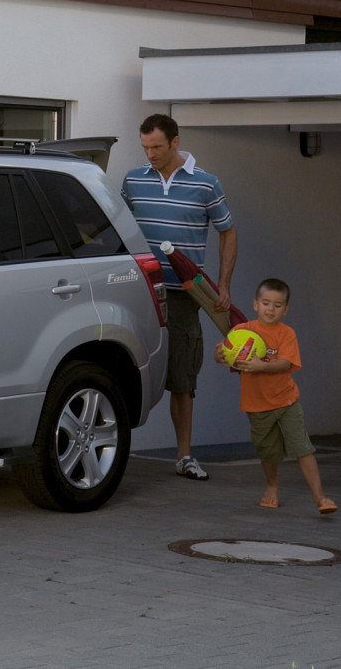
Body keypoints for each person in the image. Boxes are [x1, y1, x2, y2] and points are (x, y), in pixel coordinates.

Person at [122, 113, 237, 481]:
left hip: (186, 294)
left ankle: (184, 456)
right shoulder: (133, 180)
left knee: (183, 377)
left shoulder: (206, 184)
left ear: (175, 141)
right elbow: (116, 227)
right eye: (145, 147)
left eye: (156, 146)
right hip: (139, 291)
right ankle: (116, 450)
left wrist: (222, 285)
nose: (150, 154)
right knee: (124, 367)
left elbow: (228, 233)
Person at [212, 278, 336, 514]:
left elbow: (285, 363)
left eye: (277, 305)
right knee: (268, 451)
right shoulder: (242, 332)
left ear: (285, 310)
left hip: (286, 400)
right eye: (266, 303)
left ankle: (320, 497)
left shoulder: (286, 333)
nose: (271, 309)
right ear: (256, 304)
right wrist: (220, 355)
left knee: (303, 447)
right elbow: (223, 354)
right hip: (256, 405)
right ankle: (272, 486)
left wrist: (261, 366)